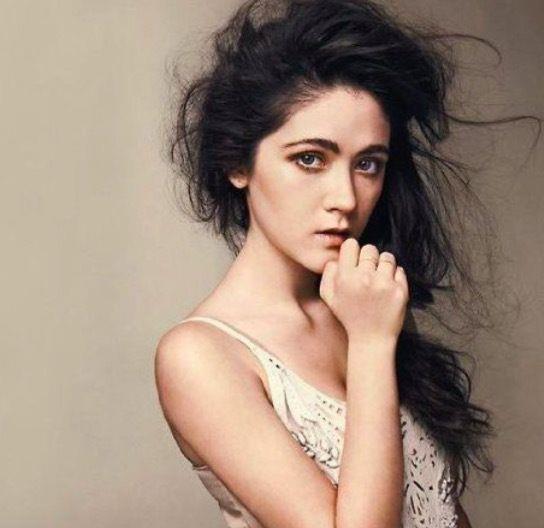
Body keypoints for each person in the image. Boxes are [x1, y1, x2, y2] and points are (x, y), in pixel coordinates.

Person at [154, 1, 539, 526]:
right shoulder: (200, 358)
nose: (346, 198)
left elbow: (438, 510)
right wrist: (372, 343)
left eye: (368, 164)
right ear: (236, 162)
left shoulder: (361, 302)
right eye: (310, 159)